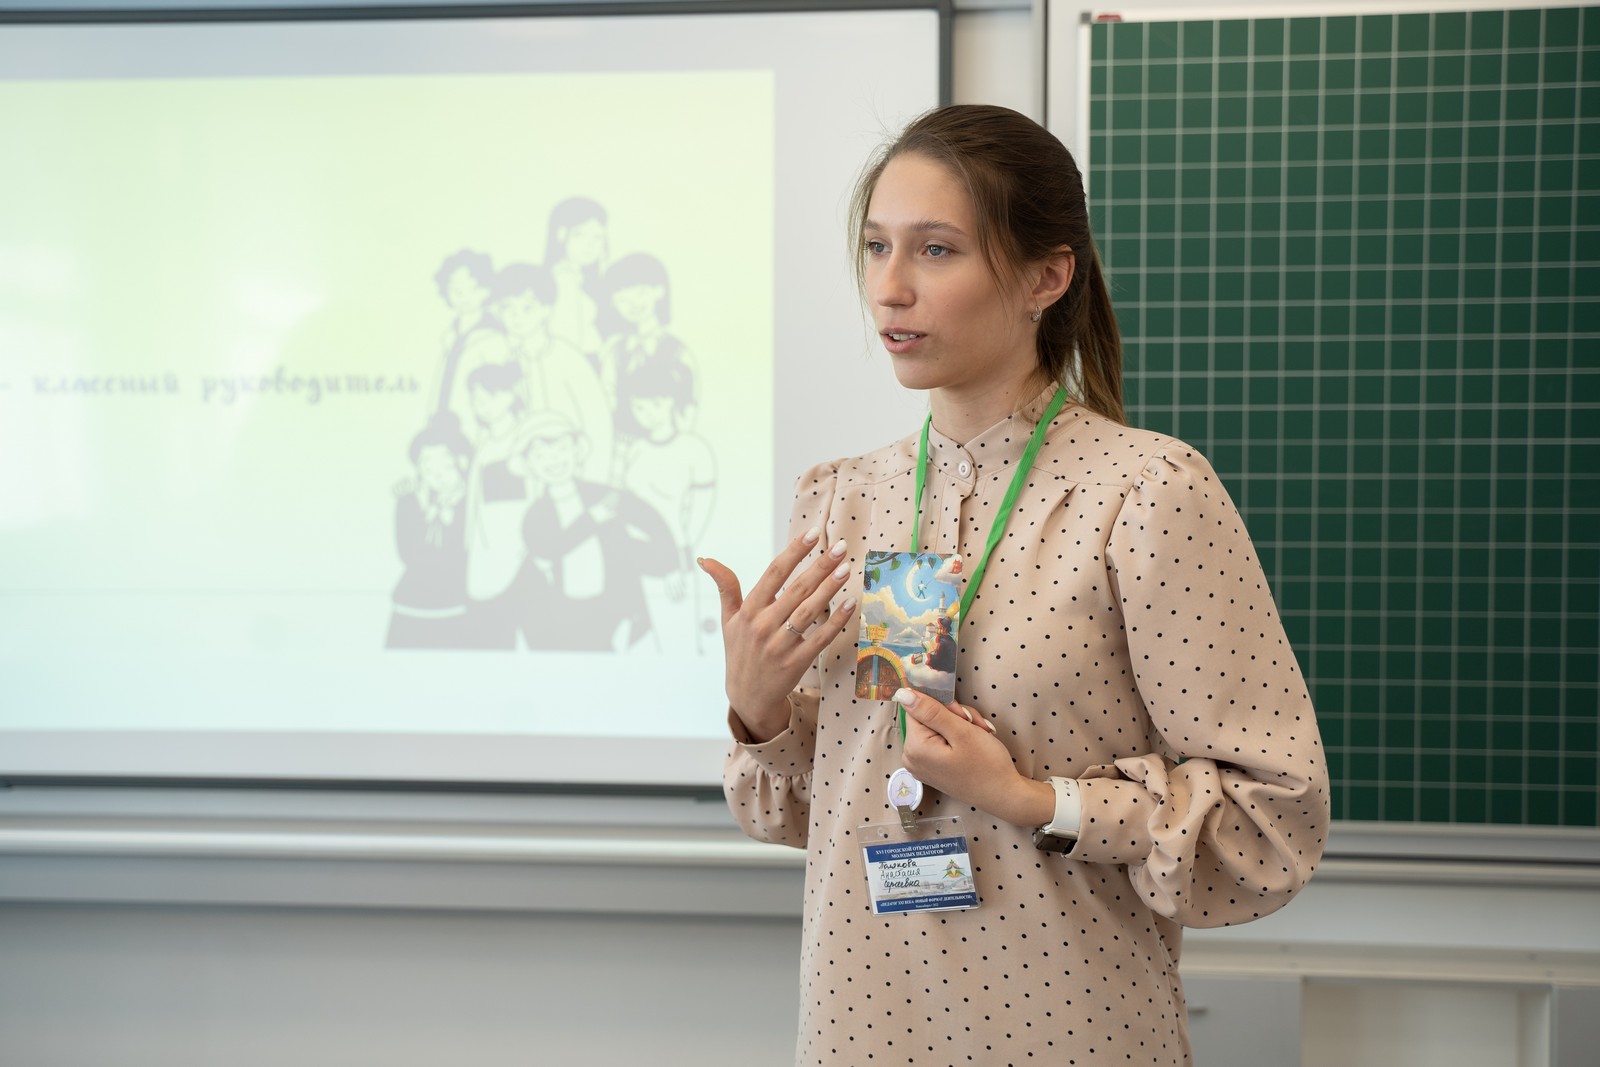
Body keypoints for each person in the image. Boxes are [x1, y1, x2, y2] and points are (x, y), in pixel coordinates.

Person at [698, 104, 1329, 1066]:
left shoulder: (1145, 494)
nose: (890, 288)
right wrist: (758, 712)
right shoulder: (844, 501)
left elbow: (1269, 824)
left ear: (1046, 276)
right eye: (876, 247)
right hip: (865, 1027)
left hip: (1070, 1030)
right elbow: (809, 809)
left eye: (936, 250)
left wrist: (1035, 800)